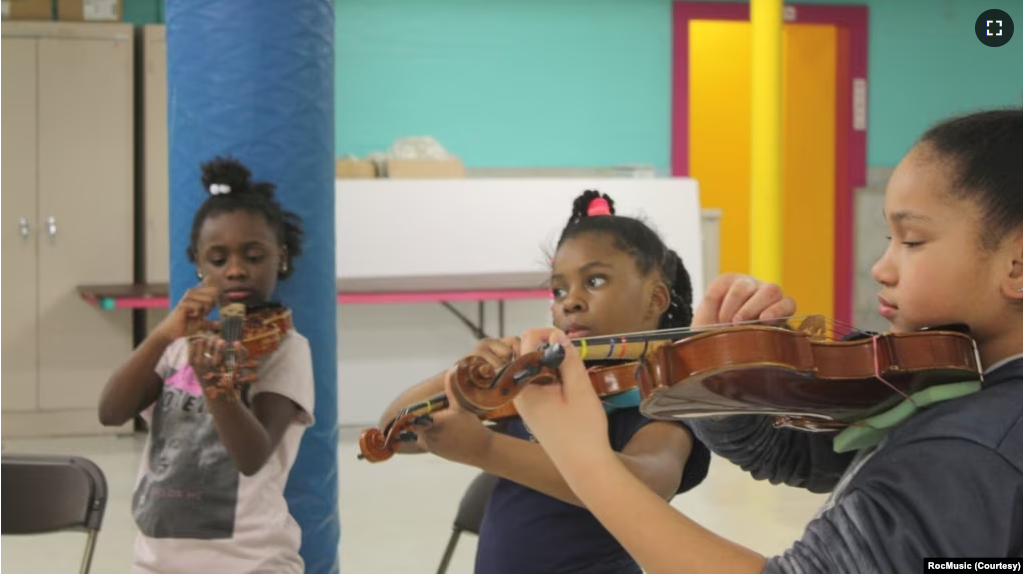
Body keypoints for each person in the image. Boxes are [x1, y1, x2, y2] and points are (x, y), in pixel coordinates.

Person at [510, 107, 1023, 573]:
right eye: (889, 240)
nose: (881, 267)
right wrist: (726, 371)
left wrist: (581, 457)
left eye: (911, 241)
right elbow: (791, 454)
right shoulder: (945, 381)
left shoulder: (970, 445)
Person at [378, 190, 712, 574]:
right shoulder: (539, 384)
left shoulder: (661, 401)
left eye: (596, 280)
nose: (569, 302)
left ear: (654, 300)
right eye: (559, 289)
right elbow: (392, 429)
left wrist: (485, 448)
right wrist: (466, 374)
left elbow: (646, 486)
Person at [99, 156, 315, 574]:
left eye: (253, 256)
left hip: (251, 563)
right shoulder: (181, 344)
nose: (236, 270)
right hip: (158, 562)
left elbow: (252, 456)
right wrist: (164, 334)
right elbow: (111, 412)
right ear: (198, 264)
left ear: (281, 258)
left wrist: (217, 388)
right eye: (218, 260)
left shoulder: (287, 350)